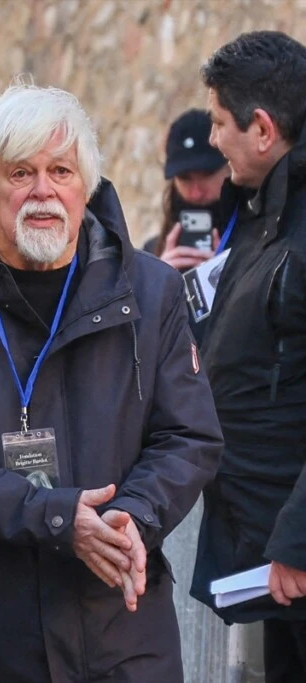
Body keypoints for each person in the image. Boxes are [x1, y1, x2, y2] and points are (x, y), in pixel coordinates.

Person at [0, 83, 223, 681]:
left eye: (61, 170)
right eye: (20, 173)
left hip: (120, 631)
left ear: (86, 186)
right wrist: (56, 516)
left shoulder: (152, 292)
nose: (43, 191)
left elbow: (189, 436)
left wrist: (131, 519)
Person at [190, 31, 306, 683]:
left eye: (217, 122)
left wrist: (298, 541)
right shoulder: (269, 213)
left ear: (261, 129)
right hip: (266, 555)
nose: (211, 140)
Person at [144, 109, 233, 268]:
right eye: (184, 178)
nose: (196, 192)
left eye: (207, 174)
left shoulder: (258, 244)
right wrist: (159, 280)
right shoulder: (150, 255)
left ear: (230, 167)